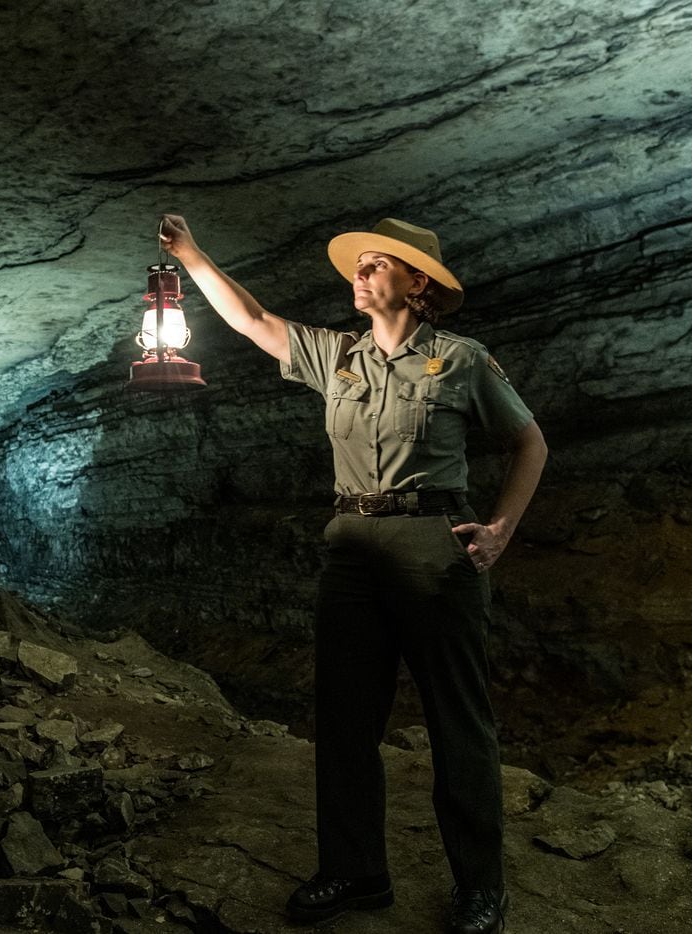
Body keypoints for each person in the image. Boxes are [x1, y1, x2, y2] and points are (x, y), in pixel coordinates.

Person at [157, 214, 547, 934]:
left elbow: (530, 441)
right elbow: (252, 320)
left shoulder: (461, 360)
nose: (359, 276)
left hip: (433, 544)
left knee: (457, 723)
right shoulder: (337, 356)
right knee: (343, 720)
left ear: (417, 282)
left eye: (376, 265)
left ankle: (480, 886)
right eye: (358, 265)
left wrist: (499, 531)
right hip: (351, 549)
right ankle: (354, 871)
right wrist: (192, 254)